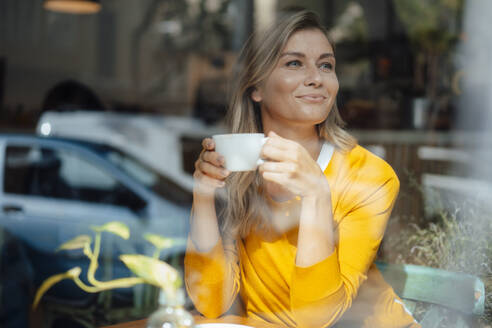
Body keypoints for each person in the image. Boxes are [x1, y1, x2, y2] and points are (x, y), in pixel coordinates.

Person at [184, 10, 420, 328]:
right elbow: (210, 302)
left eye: (326, 65)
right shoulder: (240, 168)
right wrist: (203, 194)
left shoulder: (368, 175)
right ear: (256, 88)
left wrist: (316, 194)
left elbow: (317, 318)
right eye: (294, 63)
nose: (317, 78)